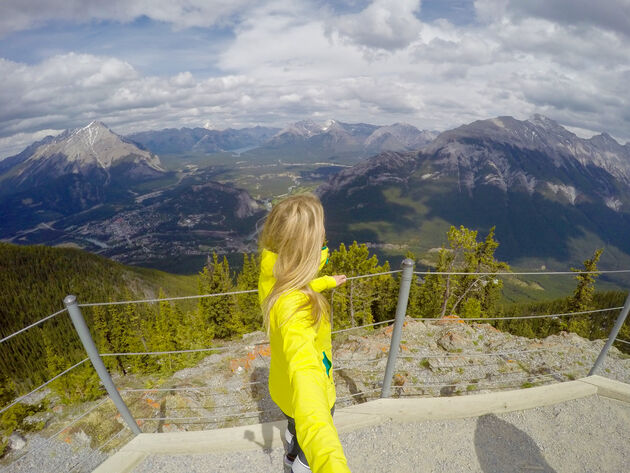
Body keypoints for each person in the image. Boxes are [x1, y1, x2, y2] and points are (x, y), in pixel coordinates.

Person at [258, 193, 351, 473]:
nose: (325, 241)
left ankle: (290, 454)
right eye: (321, 240)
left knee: (294, 426)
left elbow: (296, 283)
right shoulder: (296, 310)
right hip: (313, 393)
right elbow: (310, 392)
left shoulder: (271, 276)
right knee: (307, 445)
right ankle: (297, 464)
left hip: (282, 390)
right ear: (305, 251)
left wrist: (324, 281)